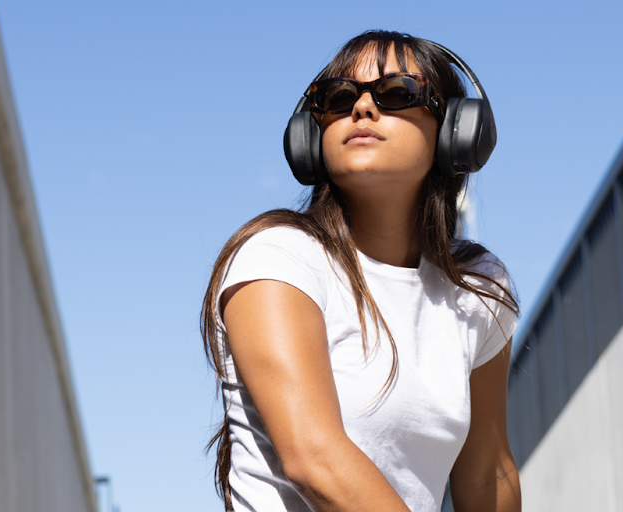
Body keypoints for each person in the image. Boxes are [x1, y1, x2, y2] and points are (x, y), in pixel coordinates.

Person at [199, 30, 522, 512]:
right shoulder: (278, 256)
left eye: (396, 93)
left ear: (457, 130)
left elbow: (487, 473)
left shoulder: (477, 286)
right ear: (312, 134)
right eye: (338, 98)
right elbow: (315, 459)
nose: (363, 109)